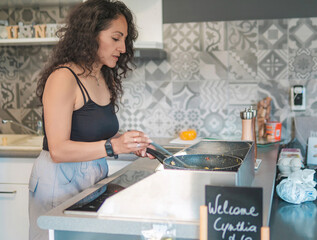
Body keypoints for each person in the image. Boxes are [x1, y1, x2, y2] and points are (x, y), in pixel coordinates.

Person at [28, 1, 154, 239]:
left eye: (125, 39)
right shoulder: (63, 78)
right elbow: (58, 150)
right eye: (116, 38)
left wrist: (129, 143)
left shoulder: (102, 76)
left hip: (93, 174)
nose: (123, 48)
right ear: (90, 34)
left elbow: (94, 135)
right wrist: (113, 146)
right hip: (58, 179)